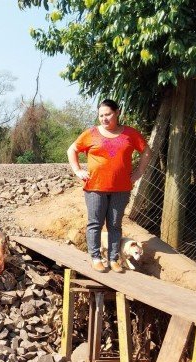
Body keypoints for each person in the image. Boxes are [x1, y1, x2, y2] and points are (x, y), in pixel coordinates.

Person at [67, 99, 151, 273]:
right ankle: (96, 257)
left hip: (121, 189)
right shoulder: (91, 134)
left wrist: (139, 172)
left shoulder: (130, 134)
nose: (104, 119)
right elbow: (72, 150)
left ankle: (113, 259)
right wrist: (78, 170)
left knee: (114, 224)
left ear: (117, 112)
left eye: (108, 114)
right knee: (95, 223)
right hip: (95, 188)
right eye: (101, 115)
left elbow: (146, 151)